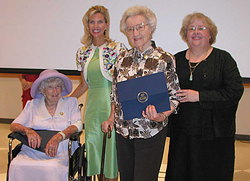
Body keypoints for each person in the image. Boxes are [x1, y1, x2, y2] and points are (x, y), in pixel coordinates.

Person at [101, 5, 180, 181]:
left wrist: (161, 116)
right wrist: (111, 118)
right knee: (127, 177)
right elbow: (115, 95)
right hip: (124, 132)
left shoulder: (164, 59)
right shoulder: (121, 59)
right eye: (130, 29)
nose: (135, 33)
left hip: (150, 131)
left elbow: (174, 96)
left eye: (140, 27)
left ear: (151, 28)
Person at [165, 12, 244, 181]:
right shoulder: (175, 60)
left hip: (214, 137)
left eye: (201, 28)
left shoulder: (223, 59)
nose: (196, 31)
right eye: (191, 28)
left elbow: (234, 91)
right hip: (182, 137)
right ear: (185, 34)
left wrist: (199, 96)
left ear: (210, 33)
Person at [70, 5, 126, 181]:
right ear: (87, 25)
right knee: (95, 153)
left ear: (107, 24)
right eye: (92, 21)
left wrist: (113, 112)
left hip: (112, 107)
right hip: (92, 109)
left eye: (100, 21)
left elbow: (121, 83)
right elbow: (84, 85)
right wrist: (65, 100)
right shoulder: (82, 52)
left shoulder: (117, 48)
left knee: (110, 155)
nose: (96, 25)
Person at [8, 69, 83, 181]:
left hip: (60, 151)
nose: (55, 91)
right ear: (43, 90)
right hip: (33, 150)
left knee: (51, 167)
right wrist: (28, 131)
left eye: (58, 86)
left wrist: (59, 136)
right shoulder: (33, 105)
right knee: (16, 164)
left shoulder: (70, 103)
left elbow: (78, 125)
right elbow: (14, 125)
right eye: (50, 87)